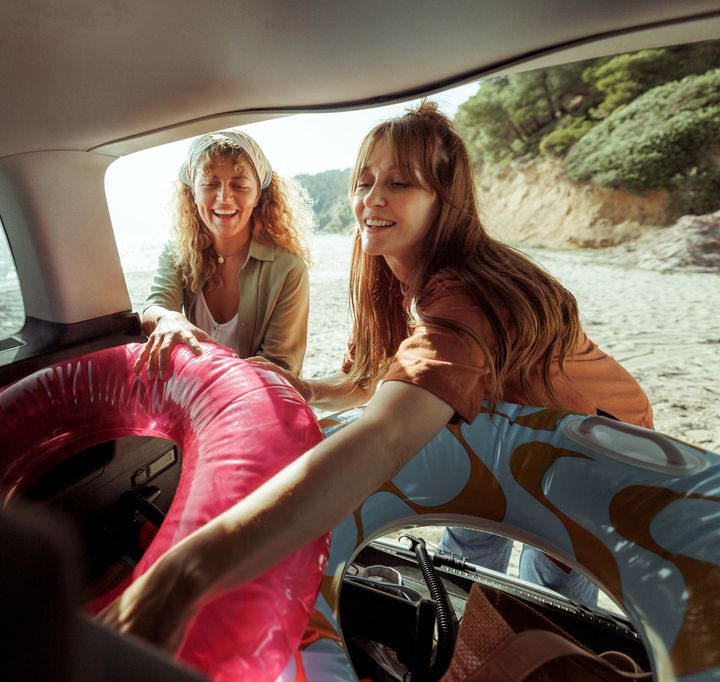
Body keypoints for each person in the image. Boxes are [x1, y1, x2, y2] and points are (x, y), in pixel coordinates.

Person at [102, 103, 653, 650]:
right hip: (492, 429)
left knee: (549, 586)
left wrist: (185, 575)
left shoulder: (465, 297)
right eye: (363, 182)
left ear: (446, 198)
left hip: (596, 445)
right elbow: (374, 380)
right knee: (470, 549)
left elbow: (387, 435)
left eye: (399, 183)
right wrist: (310, 390)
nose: (371, 199)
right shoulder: (397, 278)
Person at [133, 130, 313, 380]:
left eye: (239, 185)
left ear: (257, 195)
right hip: (196, 398)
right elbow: (155, 306)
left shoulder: (289, 269)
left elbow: (280, 368)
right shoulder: (178, 252)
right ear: (193, 193)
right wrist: (169, 318)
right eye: (210, 184)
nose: (224, 197)